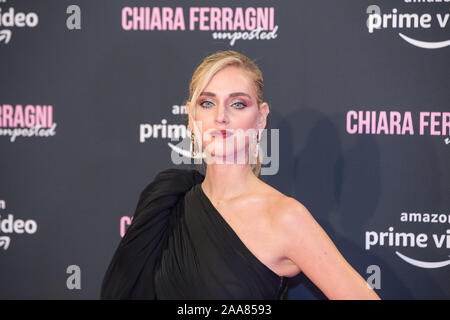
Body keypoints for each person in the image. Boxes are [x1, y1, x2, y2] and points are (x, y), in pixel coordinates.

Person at [100, 50, 380, 300]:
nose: (220, 116)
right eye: (207, 103)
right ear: (191, 115)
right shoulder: (166, 199)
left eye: (238, 104)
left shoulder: (284, 217)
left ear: (260, 118)